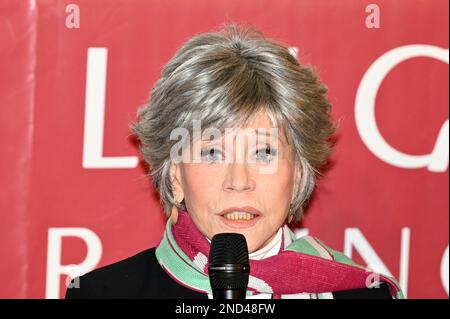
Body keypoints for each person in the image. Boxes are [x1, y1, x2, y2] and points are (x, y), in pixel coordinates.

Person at [66, 23, 404, 299]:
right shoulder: (102, 294)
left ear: (298, 174)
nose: (239, 180)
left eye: (263, 152)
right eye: (213, 153)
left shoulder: (362, 295)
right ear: (175, 178)